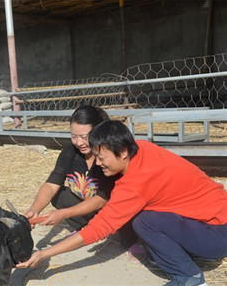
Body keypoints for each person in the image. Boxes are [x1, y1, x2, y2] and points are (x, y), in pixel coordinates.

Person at [17, 120, 227, 286]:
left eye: (101, 158)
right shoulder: (142, 149)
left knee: (145, 222)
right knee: (144, 219)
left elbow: (99, 228)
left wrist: (44, 253)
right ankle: (174, 255)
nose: (98, 163)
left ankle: (189, 277)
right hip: (210, 219)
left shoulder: (136, 182)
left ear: (123, 152)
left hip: (217, 233)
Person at [24, 105, 139, 253]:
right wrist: (35, 210)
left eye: (84, 137)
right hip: (88, 207)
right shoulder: (69, 153)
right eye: (74, 136)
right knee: (59, 195)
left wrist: (64, 214)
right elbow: (52, 185)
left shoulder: (108, 157)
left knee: (127, 236)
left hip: (111, 208)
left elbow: (102, 199)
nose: (79, 142)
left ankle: (114, 232)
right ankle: (88, 229)